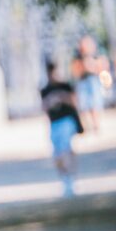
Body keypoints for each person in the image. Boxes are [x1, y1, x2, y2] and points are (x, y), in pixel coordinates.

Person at [40, 60, 83, 197]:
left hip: (66, 121)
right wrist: (50, 101)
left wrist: (62, 98)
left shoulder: (65, 86)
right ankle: (65, 179)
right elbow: (44, 109)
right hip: (55, 124)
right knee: (57, 154)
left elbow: (74, 102)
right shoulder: (45, 90)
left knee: (65, 149)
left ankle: (70, 179)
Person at [71, 35, 110, 132]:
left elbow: (104, 68)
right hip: (82, 82)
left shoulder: (97, 55)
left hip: (94, 81)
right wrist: (84, 67)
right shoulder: (78, 58)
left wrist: (94, 66)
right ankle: (87, 126)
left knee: (95, 104)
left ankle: (96, 126)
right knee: (84, 106)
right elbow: (75, 72)